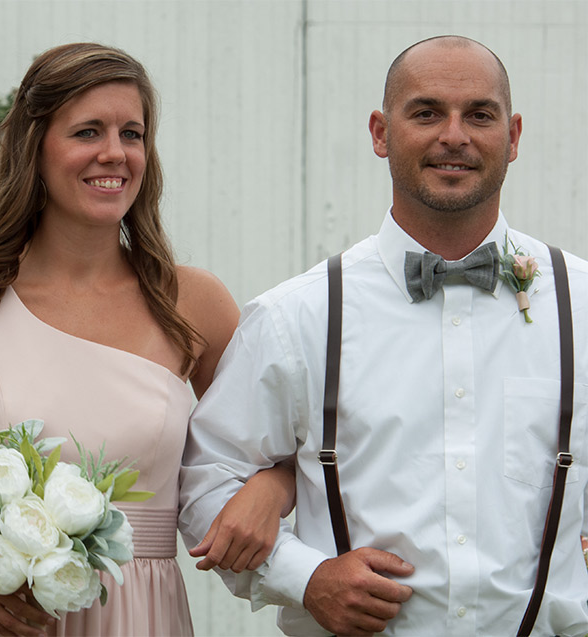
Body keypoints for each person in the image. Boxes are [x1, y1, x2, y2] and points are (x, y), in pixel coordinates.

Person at [0, 42, 293, 637]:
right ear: (34, 149)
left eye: (133, 133)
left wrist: (271, 489)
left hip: (139, 614)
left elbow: (285, 445)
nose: (115, 153)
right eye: (88, 131)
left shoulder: (192, 303)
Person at [179, 35, 588, 635]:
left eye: (480, 114)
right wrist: (304, 577)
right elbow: (206, 479)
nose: (455, 135)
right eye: (426, 113)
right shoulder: (299, 315)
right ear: (380, 132)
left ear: (514, 136)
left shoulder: (581, 304)